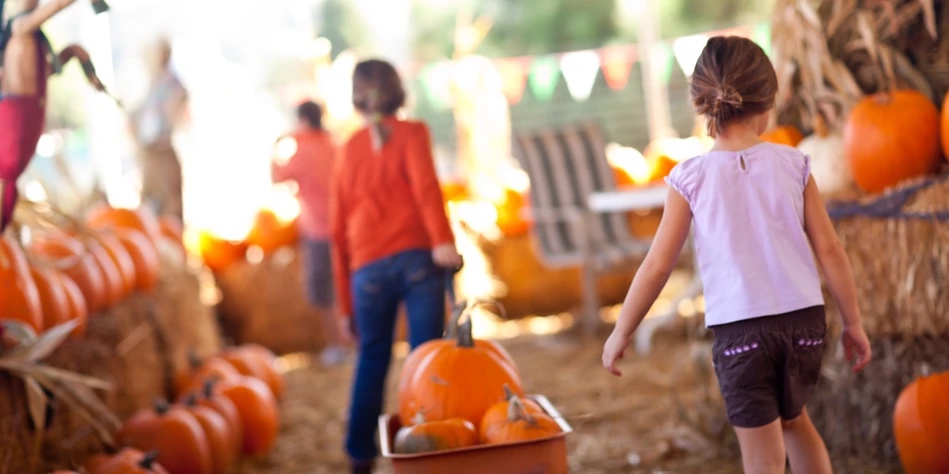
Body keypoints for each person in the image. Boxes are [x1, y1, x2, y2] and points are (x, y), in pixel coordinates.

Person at [601, 36, 872, 474]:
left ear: (701, 105)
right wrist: (854, 322)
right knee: (795, 420)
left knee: (762, 458)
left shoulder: (689, 179)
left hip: (741, 333)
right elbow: (830, 249)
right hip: (804, 324)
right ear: (767, 105)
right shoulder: (794, 164)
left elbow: (657, 266)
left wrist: (622, 331)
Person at [330, 58, 462, 474]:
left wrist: (345, 306)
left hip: (366, 270)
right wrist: (443, 242)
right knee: (424, 357)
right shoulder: (413, 133)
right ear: (397, 91)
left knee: (372, 357)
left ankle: (359, 454)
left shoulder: (347, 150)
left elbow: (336, 232)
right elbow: (426, 187)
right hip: (417, 260)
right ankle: (425, 451)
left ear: (357, 97)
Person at [0, 0, 110, 231]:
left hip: (23, 127)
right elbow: (56, 6)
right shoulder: (20, 28)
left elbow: (43, 72)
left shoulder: (33, 40)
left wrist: (82, 60)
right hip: (15, 132)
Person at [271, 100, 349, 366]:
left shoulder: (301, 151)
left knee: (323, 290)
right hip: (345, 226)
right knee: (347, 286)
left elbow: (276, 178)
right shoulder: (335, 145)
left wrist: (277, 146)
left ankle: (336, 345)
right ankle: (356, 341)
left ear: (303, 121)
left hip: (318, 230)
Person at [132, 37, 188, 221]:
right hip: (150, 154)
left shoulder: (172, 83)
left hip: (163, 152)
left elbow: (178, 111)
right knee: (150, 209)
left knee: (170, 210)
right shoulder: (153, 83)